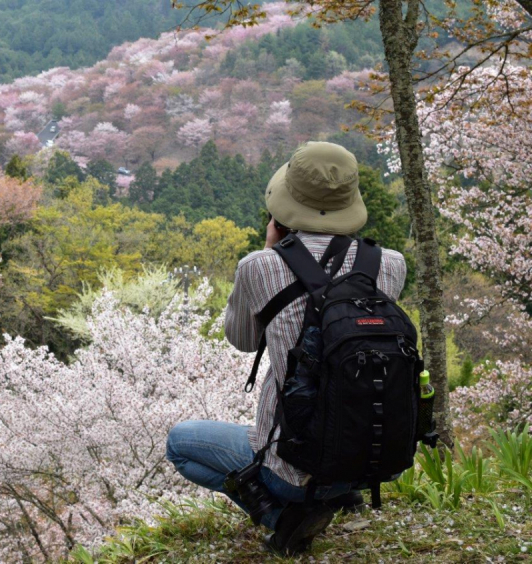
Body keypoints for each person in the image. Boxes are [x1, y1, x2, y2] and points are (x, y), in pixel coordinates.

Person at [166, 142, 407, 555]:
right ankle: (338, 494)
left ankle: (283, 519)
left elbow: (243, 340)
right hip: (369, 461)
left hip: (294, 467)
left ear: (285, 204)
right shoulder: (390, 264)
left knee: (180, 442)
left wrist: (267, 250)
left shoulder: (260, 266)